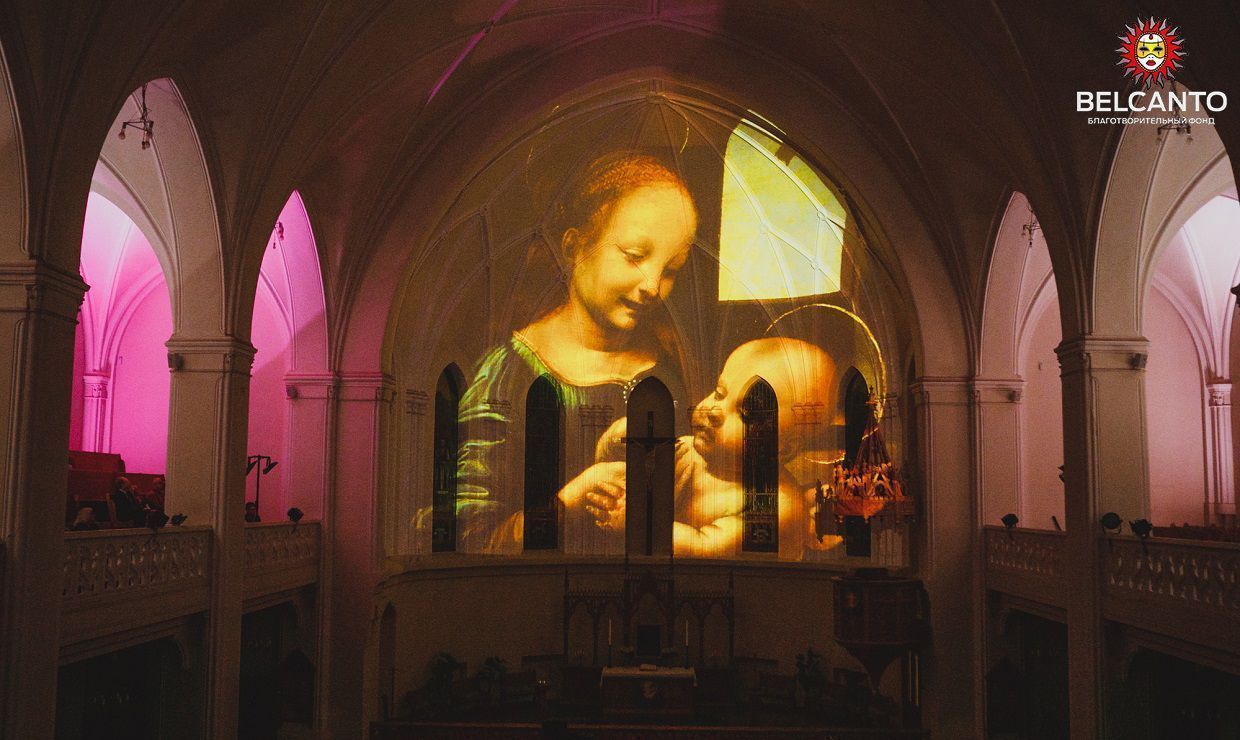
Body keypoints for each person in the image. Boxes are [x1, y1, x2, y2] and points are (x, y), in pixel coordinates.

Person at [436, 151, 698, 554]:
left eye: (671, 270)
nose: (651, 285)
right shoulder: (507, 373)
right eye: (634, 257)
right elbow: (469, 538)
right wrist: (571, 500)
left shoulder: (672, 363)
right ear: (575, 247)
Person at [589, 337, 840, 559]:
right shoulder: (689, 451)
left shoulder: (777, 507)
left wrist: (640, 523)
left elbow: (704, 549)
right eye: (720, 394)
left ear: (782, 447)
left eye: (745, 413)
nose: (715, 411)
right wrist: (621, 438)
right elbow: (612, 465)